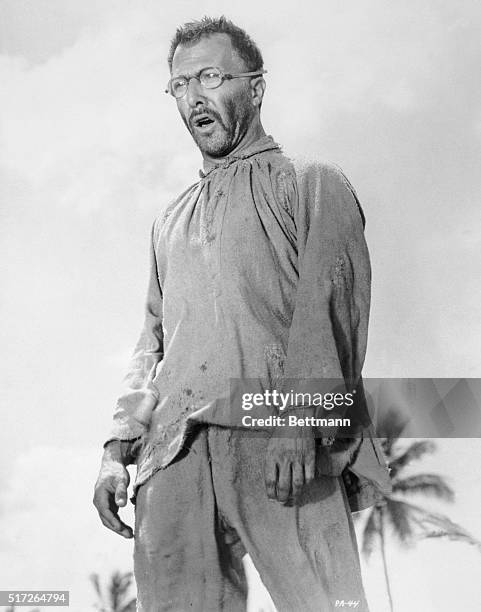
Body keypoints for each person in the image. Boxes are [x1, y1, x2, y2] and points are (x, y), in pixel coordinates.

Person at [93, 16, 391, 612]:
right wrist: (115, 451)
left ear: (254, 87)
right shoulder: (167, 222)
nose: (194, 97)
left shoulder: (310, 184)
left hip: (276, 436)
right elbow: (151, 343)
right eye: (179, 86)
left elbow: (328, 311)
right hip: (169, 456)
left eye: (210, 76)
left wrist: (298, 423)